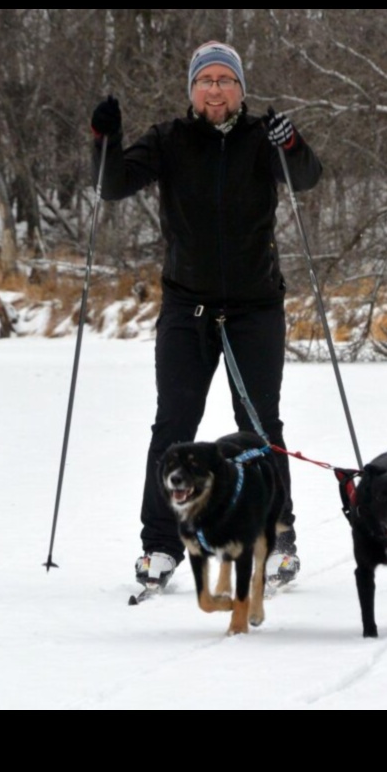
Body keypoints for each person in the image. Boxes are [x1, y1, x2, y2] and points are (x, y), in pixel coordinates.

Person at [91, 40, 322, 591]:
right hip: (186, 309)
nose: (214, 89)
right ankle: (160, 547)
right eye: (205, 80)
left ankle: (277, 538)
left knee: (260, 427)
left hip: (254, 309)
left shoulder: (260, 138)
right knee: (174, 424)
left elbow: (306, 176)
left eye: (225, 80)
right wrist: (106, 139)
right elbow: (112, 184)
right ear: (192, 90)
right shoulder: (170, 139)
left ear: (240, 89)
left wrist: (289, 142)